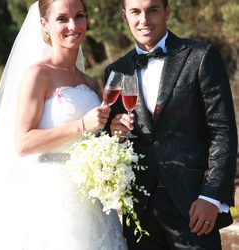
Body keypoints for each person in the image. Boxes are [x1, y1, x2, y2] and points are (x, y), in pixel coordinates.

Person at [0, 0, 128, 249]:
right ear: (45, 24)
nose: (73, 25)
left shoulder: (91, 83)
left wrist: (115, 135)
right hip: (51, 199)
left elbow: (95, 141)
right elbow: (22, 143)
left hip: (91, 199)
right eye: (62, 18)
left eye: (79, 16)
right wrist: (81, 125)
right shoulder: (38, 75)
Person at [105, 0, 238, 249]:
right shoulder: (116, 70)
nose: (143, 20)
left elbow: (223, 131)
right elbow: (115, 139)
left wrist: (211, 197)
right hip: (141, 215)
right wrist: (115, 133)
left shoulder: (200, 57)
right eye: (135, 12)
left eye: (152, 10)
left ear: (167, 11)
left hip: (194, 209)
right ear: (125, 16)